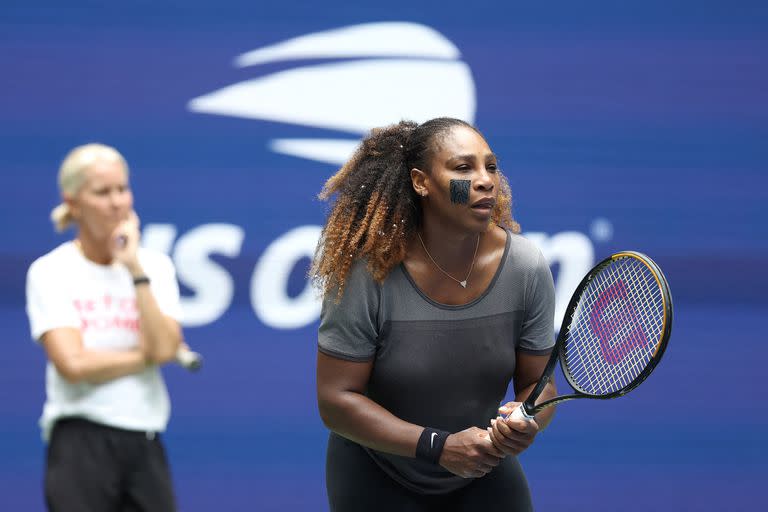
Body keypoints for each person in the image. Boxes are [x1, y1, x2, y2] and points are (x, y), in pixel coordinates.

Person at [313, 118, 558, 511]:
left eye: (490, 167)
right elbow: (336, 400)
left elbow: (539, 383)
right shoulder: (369, 272)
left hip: (483, 471)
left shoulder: (525, 267)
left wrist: (528, 420)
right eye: (464, 168)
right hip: (376, 476)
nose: (485, 180)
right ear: (420, 182)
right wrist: (438, 446)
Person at [25, 143, 183, 511]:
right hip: (80, 440)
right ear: (74, 202)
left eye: (122, 189)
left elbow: (164, 346)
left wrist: (133, 270)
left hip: (145, 439)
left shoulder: (154, 267)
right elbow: (74, 366)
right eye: (102, 192)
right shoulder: (50, 271)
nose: (117, 202)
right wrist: (146, 356)